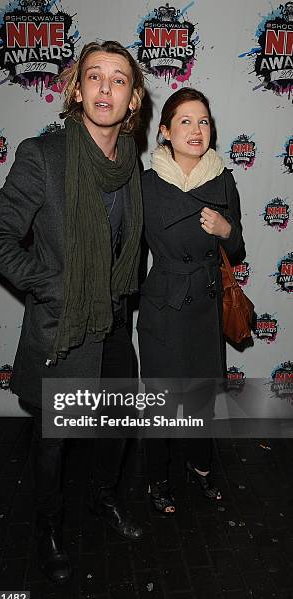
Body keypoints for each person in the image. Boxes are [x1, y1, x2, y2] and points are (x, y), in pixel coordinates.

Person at [0, 40, 145, 583]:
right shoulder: (42, 155)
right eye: (94, 76)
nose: (105, 87)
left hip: (115, 322)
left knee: (117, 427)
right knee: (54, 443)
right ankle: (47, 526)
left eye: (119, 79)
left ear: (134, 99)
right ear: (76, 90)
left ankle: (101, 498)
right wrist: (51, 284)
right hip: (66, 329)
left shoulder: (130, 162)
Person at [137, 87, 245, 514]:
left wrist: (224, 231)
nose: (196, 129)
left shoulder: (223, 178)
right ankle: (157, 478)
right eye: (185, 120)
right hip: (164, 306)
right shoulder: (144, 184)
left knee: (200, 398)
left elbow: (235, 249)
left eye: (203, 120)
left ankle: (201, 468)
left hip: (203, 304)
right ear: (165, 131)